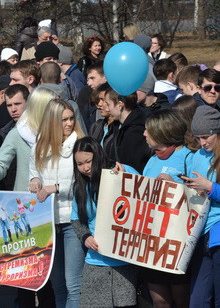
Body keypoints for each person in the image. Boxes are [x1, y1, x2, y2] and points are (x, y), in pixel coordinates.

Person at [29, 98, 85, 308]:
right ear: (52, 121)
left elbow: (85, 181)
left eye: (71, 119)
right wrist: (34, 182)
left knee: (73, 284)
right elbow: (33, 175)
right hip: (47, 221)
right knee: (57, 284)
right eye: (63, 120)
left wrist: (56, 187)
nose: (69, 124)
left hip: (73, 219)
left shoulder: (80, 142)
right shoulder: (39, 147)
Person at [71, 136, 138, 307]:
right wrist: (85, 236)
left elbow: (145, 202)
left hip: (124, 261)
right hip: (95, 261)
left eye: (89, 161)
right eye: (79, 164)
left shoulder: (122, 170)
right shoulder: (80, 186)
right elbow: (76, 219)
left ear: (98, 156)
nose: (85, 168)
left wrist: (126, 180)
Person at [140, 109, 192, 307]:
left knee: (181, 300)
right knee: (159, 301)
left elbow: (198, 197)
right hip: (152, 242)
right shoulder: (152, 160)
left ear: (161, 132)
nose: (144, 134)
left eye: (148, 130)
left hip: (176, 242)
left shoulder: (188, 157)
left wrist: (176, 185)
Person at [184, 106, 220, 307]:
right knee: (197, 301)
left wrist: (210, 188)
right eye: (198, 138)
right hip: (199, 233)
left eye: (207, 136)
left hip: (218, 232)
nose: (202, 142)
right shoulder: (196, 156)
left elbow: (208, 188)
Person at [104, 88, 151, 173]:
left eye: (108, 104)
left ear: (119, 104)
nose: (107, 109)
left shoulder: (137, 131)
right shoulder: (117, 126)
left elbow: (135, 167)